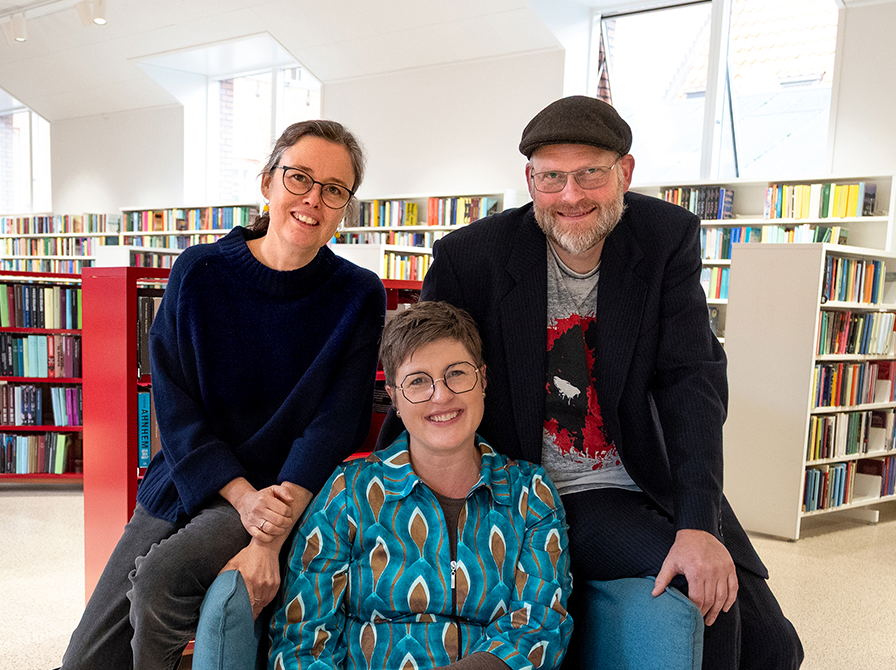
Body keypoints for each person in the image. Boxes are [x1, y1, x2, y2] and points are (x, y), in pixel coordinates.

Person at [378, 96, 803, 669]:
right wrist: (387, 492)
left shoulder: (665, 237)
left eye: (590, 174)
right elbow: (418, 371)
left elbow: (691, 381)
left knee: (778, 646)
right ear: (530, 180)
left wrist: (700, 522)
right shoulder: (471, 257)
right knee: (710, 602)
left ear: (625, 173)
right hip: (544, 492)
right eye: (552, 177)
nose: (571, 196)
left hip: (646, 473)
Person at [60, 120, 387, 670]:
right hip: (192, 479)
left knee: (160, 583)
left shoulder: (358, 293)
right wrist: (240, 497)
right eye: (299, 178)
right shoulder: (199, 271)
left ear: (345, 205)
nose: (313, 199)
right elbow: (175, 403)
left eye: (334, 190)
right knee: (83, 660)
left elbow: (337, 422)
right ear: (267, 182)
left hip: (280, 488)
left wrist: (270, 521)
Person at [269, 300, 573, 670]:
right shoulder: (348, 491)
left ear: (483, 379)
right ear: (394, 397)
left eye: (457, 374)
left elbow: (539, 630)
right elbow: (301, 641)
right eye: (417, 381)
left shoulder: (531, 494)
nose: (441, 395)